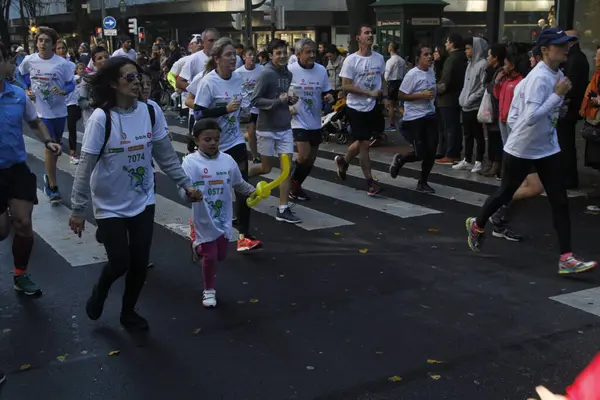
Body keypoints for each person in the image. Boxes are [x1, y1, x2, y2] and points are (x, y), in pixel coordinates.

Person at [69, 57, 201, 330]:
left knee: (140, 262)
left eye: (137, 76)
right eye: (128, 77)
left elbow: (165, 156)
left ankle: (128, 312)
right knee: (120, 262)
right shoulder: (101, 118)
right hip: (109, 203)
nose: (136, 81)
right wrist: (78, 208)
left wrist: (186, 184)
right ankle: (100, 290)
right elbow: (86, 166)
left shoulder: (150, 111)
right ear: (113, 83)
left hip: (142, 199)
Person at [465, 28, 597, 275]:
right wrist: (557, 99)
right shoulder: (539, 78)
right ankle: (478, 223)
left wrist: (557, 112)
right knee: (505, 193)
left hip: (547, 148)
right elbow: (530, 117)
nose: (566, 48)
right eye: (560, 45)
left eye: (567, 44)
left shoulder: (555, 72)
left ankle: (566, 258)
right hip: (523, 149)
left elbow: (525, 113)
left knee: (560, 201)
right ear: (545, 50)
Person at [0, 40, 62, 296]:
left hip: (15, 169)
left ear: (5, 63)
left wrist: (48, 141)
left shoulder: (16, 95)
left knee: (24, 222)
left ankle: (20, 274)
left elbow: (35, 122)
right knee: (2, 230)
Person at [192, 37, 263, 252]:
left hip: (234, 141)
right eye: (229, 55)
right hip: (214, 146)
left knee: (242, 187)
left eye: (235, 54)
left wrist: (246, 114)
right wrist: (225, 110)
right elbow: (198, 113)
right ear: (216, 58)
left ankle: (244, 236)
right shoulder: (208, 82)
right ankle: (200, 229)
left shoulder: (238, 78)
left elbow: (243, 106)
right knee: (212, 191)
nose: (234, 58)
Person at [183, 119, 256, 307]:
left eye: (216, 139)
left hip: (223, 217)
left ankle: (197, 247)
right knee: (210, 255)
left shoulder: (227, 160)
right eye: (207, 139)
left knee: (222, 254)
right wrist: (189, 194)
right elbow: (182, 188)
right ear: (196, 139)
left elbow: (238, 183)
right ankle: (208, 291)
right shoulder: (190, 162)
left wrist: (253, 191)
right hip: (202, 218)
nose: (213, 143)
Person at [16, 26, 76, 203]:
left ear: (53, 44)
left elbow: (71, 84)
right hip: (41, 112)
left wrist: (64, 91)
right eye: (40, 40)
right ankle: (52, 186)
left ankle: (48, 179)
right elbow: (20, 74)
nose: (43, 43)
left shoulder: (62, 63)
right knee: (51, 147)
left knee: (56, 150)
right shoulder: (30, 60)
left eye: (47, 41)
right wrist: (27, 87)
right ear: (37, 43)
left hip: (59, 112)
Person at [250, 38, 301, 222]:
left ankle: (283, 208)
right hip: (266, 128)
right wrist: (278, 101)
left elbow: (283, 97)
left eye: (284, 52)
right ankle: (239, 180)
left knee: (286, 169)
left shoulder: (288, 74)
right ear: (270, 56)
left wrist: (290, 100)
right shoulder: (266, 74)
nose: (282, 56)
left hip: (285, 126)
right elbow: (255, 101)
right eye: (278, 53)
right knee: (265, 167)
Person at [334, 24, 386, 196]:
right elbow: (345, 86)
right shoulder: (351, 60)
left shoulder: (379, 58)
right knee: (364, 145)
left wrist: (383, 96)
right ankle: (370, 182)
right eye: (366, 33)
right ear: (358, 38)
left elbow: (382, 79)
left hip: (372, 107)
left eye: (371, 33)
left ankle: (343, 161)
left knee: (361, 141)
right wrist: (367, 92)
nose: (370, 35)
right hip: (355, 107)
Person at [388, 45, 438, 192]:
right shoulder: (412, 75)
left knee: (432, 151)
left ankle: (423, 182)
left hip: (430, 115)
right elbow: (401, 95)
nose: (430, 57)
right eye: (426, 55)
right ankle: (401, 159)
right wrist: (420, 96)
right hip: (415, 118)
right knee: (420, 152)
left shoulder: (431, 72)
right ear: (418, 58)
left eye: (430, 54)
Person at [454, 36, 489, 173]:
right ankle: (468, 159)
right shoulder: (470, 64)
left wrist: (471, 98)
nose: (466, 51)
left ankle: (479, 160)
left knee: (478, 135)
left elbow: (482, 86)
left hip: (474, 105)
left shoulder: (482, 64)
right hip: (466, 105)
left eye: (468, 48)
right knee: (467, 134)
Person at [235, 47, 263, 163]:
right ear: (244, 57)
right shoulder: (238, 73)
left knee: (261, 132)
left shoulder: (262, 69)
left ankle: (263, 152)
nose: (252, 57)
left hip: (261, 105)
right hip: (247, 107)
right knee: (251, 131)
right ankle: (255, 156)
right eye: (250, 55)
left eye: (254, 55)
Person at [384, 42, 407, 131]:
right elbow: (405, 73)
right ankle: (408, 117)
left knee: (391, 105)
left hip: (392, 83)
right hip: (400, 83)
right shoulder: (402, 60)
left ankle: (392, 124)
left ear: (390, 49)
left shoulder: (390, 61)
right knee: (398, 104)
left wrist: (386, 83)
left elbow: (386, 75)